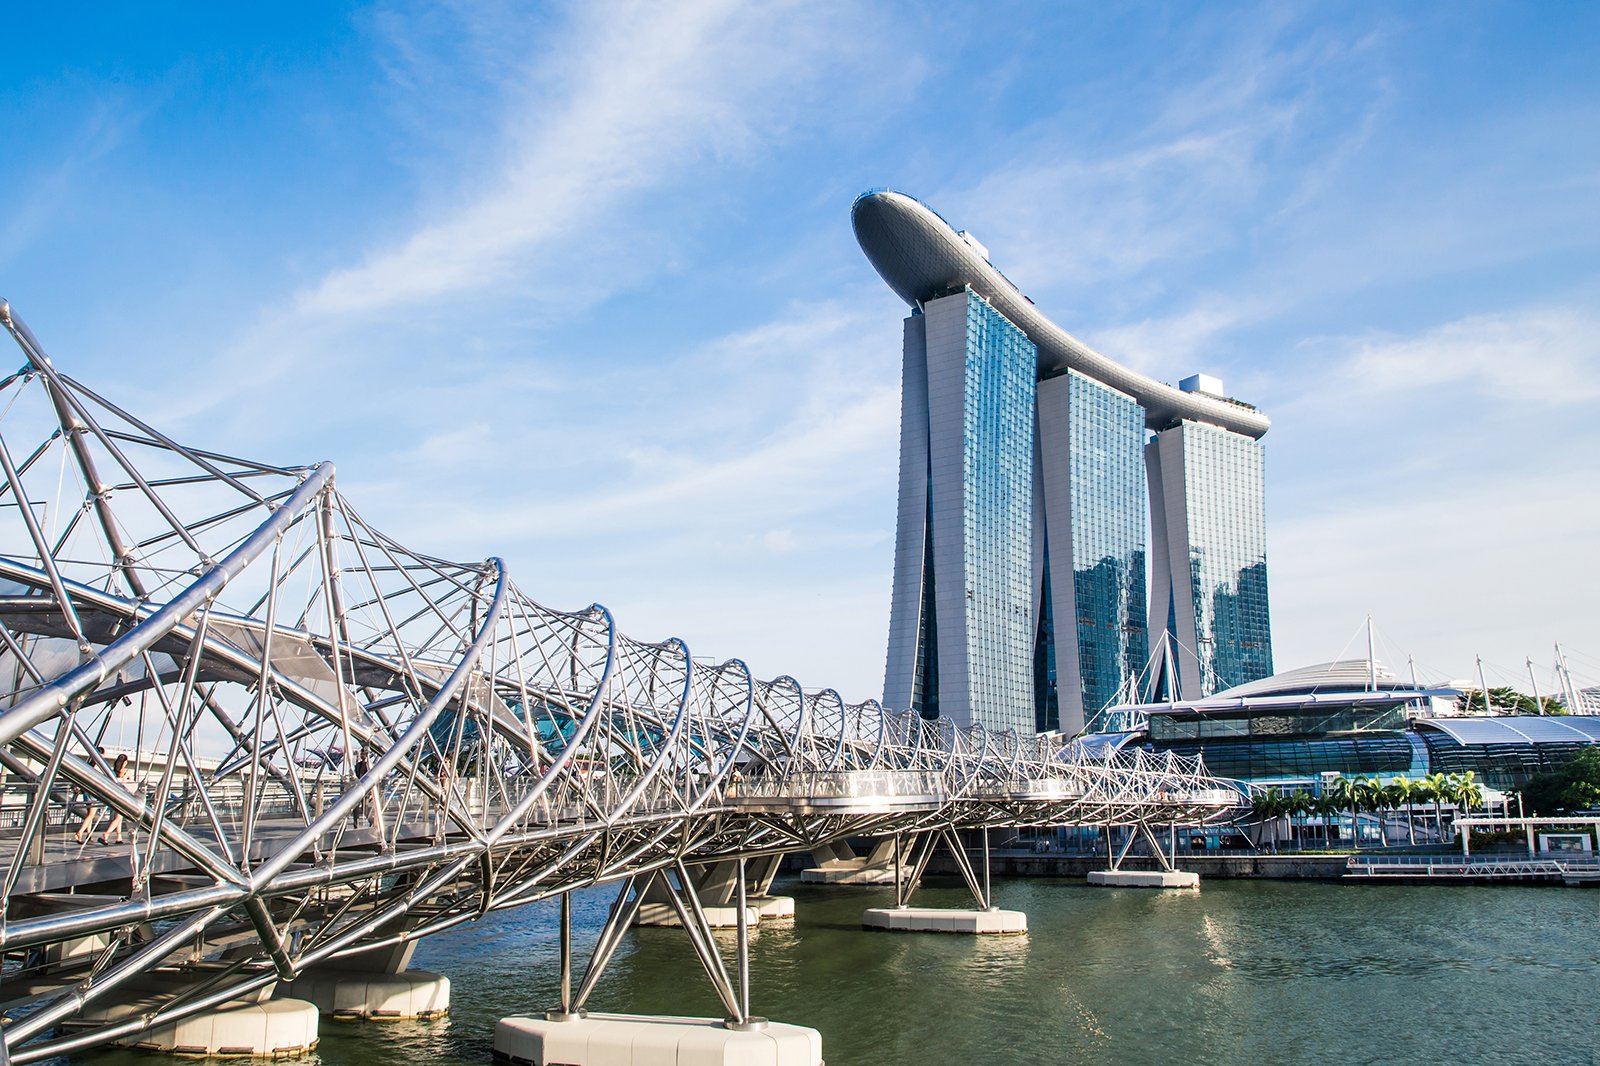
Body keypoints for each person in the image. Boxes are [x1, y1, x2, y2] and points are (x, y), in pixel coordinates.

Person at [98, 753, 134, 845]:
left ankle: (119, 837)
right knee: (118, 818)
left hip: (114, 795)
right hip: (123, 796)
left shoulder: (114, 771)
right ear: (125, 762)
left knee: (118, 817)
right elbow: (130, 783)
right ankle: (106, 834)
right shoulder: (127, 772)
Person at [75, 747, 107, 843]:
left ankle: (89, 835)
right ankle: (79, 832)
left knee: (89, 814)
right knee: (91, 815)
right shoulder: (99, 767)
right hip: (94, 792)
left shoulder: (89, 765)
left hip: (87, 791)